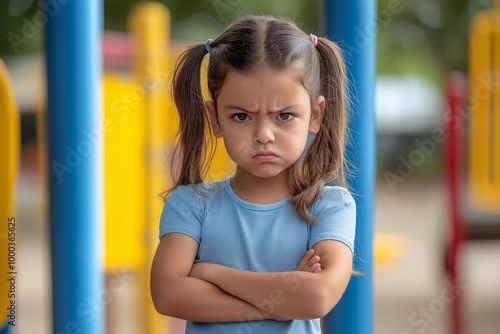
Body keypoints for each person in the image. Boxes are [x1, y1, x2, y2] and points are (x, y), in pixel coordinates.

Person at [150, 15, 356, 334]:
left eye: (284, 115)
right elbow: (167, 295)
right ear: (215, 118)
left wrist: (212, 274)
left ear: (315, 115)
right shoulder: (190, 205)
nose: (263, 134)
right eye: (241, 116)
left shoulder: (329, 206)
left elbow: (318, 295)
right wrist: (280, 304)